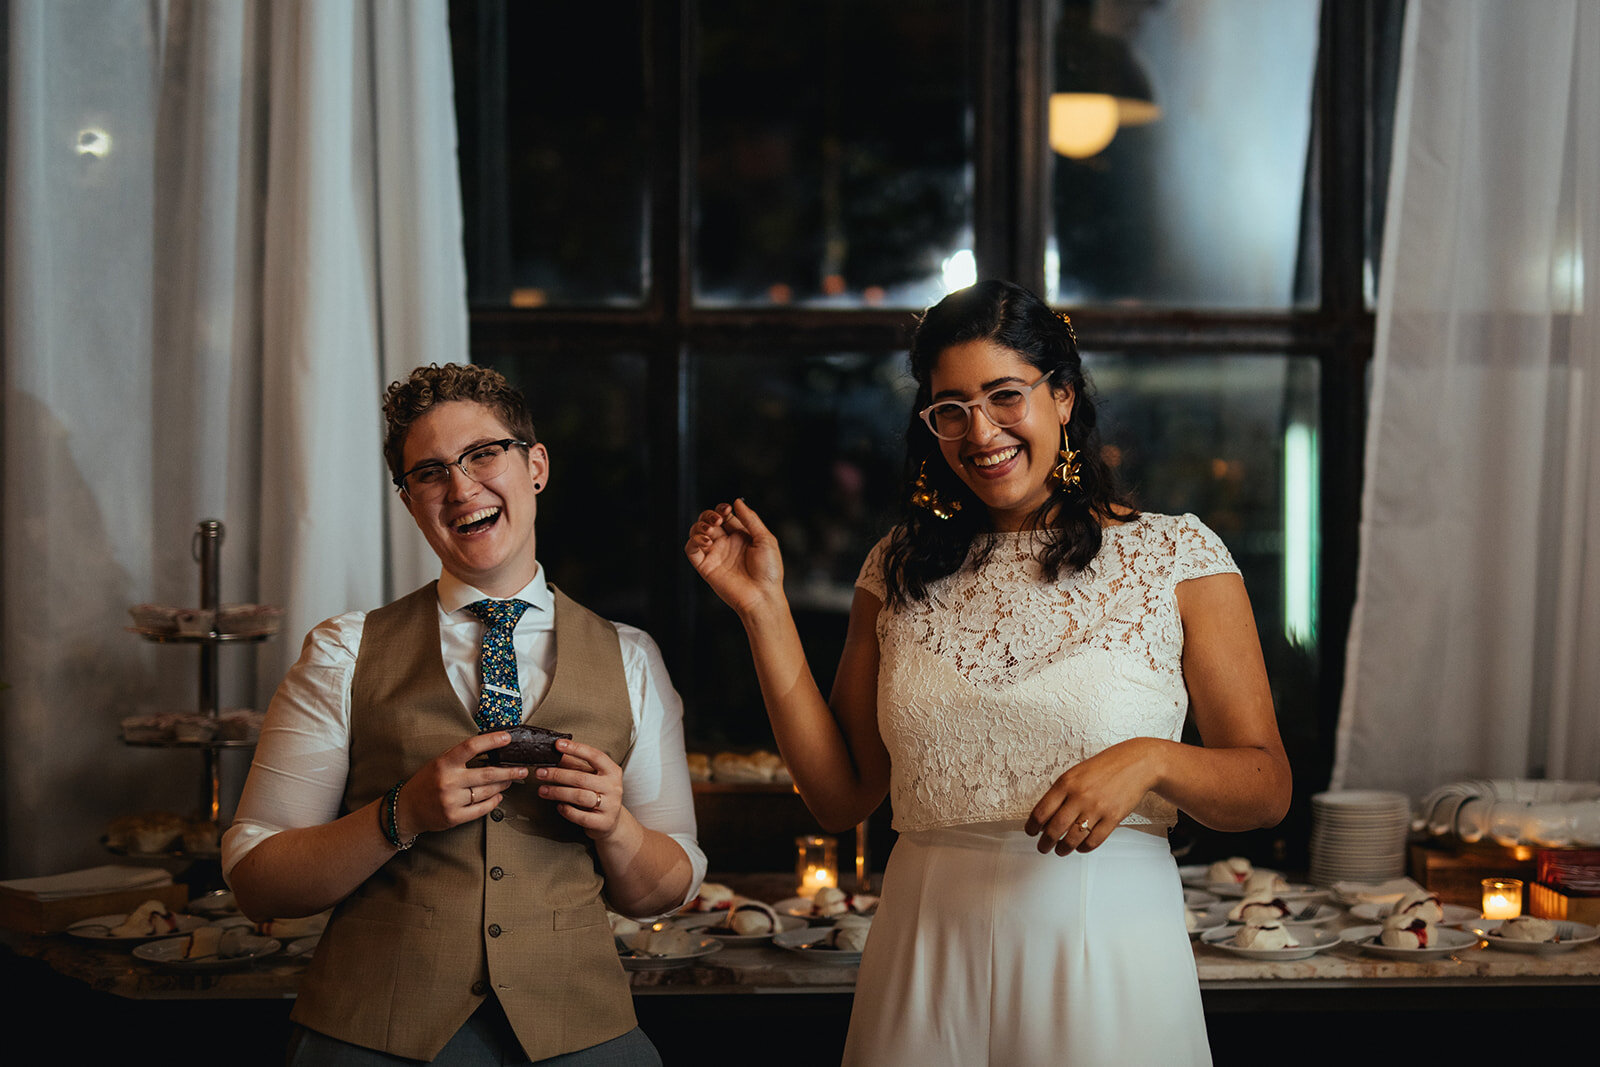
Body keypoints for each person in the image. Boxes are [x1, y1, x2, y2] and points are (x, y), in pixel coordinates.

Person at [685, 280, 1291, 1066]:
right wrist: (763, 611)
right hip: (926, 948)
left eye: (1006, 396)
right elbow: (839, 796)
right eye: (950, 410)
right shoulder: (898, 565)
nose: (981, 432)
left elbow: (1267, 785)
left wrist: (1153, 758)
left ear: (1063, 396)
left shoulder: (1178, 557)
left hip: (1106, 946)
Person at [223, 363, 703, 1065]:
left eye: (484, 454)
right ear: (409, 500)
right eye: (430, 471)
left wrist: (618, 828)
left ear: (535, 465)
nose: (461, 487)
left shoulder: (631, 658)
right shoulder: (342, 651)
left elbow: (669, 885)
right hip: (371, 1037)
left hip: (580, 1034)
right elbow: (256, 874)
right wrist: (401, 813)